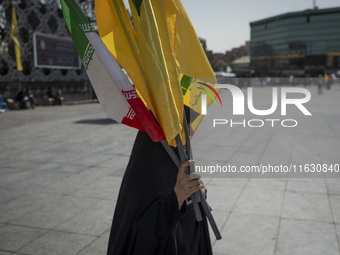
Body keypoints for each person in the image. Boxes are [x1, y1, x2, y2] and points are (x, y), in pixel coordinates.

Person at [107, 109, 212, 255]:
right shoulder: (146, 166)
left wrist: (199, 194)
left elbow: (191, 227)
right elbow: (142, 234)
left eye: (190, 128)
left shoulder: (177, 157)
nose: (188, 136)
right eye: (184, 129)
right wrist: (177, 198)